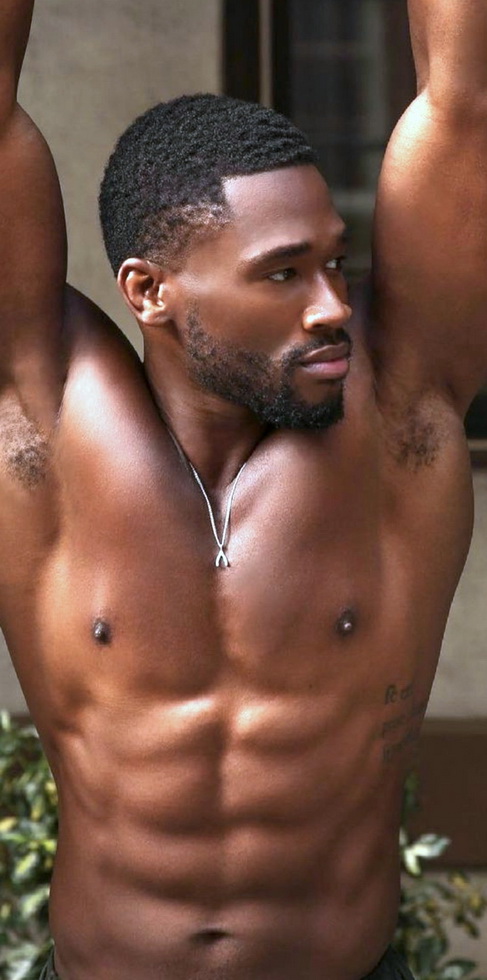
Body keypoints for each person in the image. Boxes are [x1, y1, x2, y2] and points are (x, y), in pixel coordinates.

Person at [1, 0, 487, 977]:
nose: (331, 306)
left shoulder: (398, 414)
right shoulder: (43, 421)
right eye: (282, 274)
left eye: (334, 263)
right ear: (149, 291)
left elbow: (463, 102)